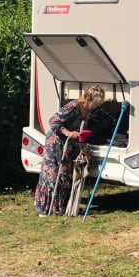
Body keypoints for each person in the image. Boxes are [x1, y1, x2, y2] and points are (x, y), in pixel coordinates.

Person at [34, 85, 106, 216]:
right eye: (96, 103)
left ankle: (60, 208)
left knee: (65, 175)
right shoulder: (73, 106)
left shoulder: (88, 110)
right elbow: (53, 121)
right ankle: (45, 209)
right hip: (56, 143)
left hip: (69, 146)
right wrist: (68, 132)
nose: (97, 105)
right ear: (88, 99)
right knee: (53, 174)